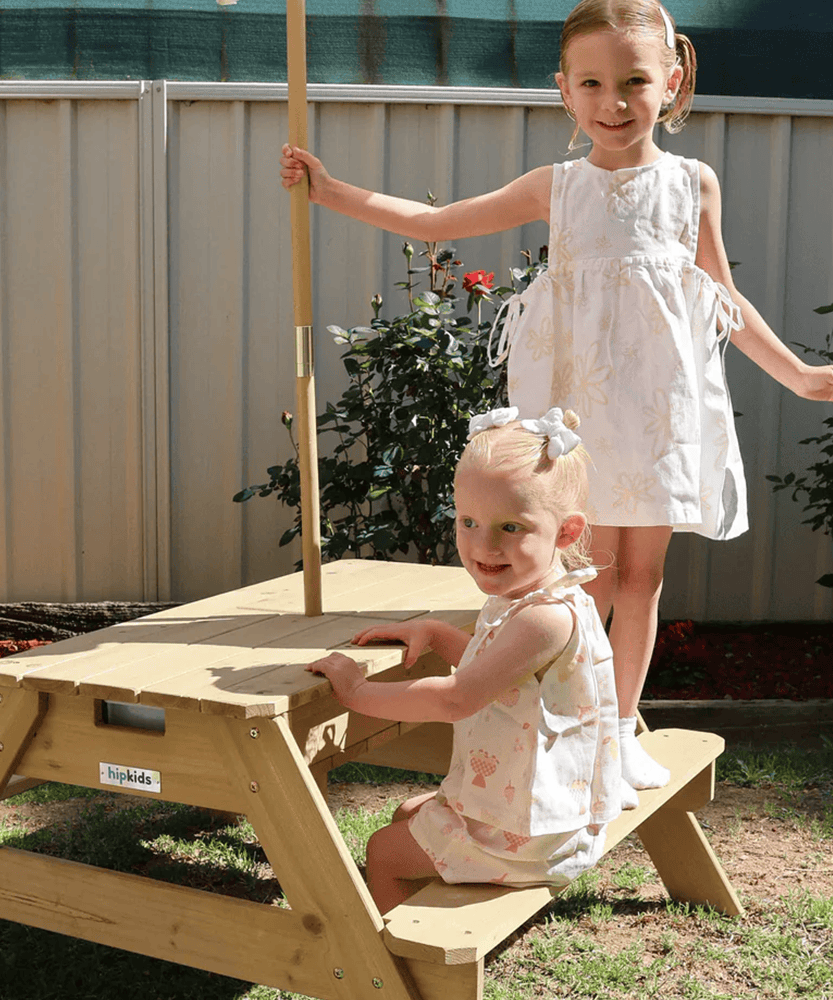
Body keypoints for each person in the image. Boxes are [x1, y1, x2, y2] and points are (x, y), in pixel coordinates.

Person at [282, 0, 833, 796]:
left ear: (671, 83)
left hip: (657, 408)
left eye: (635, 81)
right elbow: (437, 224)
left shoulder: (692, 184)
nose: (614, 102)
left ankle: (616, 730)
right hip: (577, 409)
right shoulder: (559, 186)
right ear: (565, 93)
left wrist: (802, 376)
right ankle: (561, 725)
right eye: (593, 83)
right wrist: (332, 193)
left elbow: (722, 298)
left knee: (641, 578)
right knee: (582, 579)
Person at [306, 407, 623, 914]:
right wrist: (434, 632)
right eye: (469, 521)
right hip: (538, 815)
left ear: (566, 532)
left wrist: (356, 692)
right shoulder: (538, 598)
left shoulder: (544, 619)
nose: (482, 544)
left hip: (536, 840)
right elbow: (498, 673)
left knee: (382, 851)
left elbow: (458, 697)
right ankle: (417, 924)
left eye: (510, 527)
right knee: (409, 811)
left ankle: (395, 977)